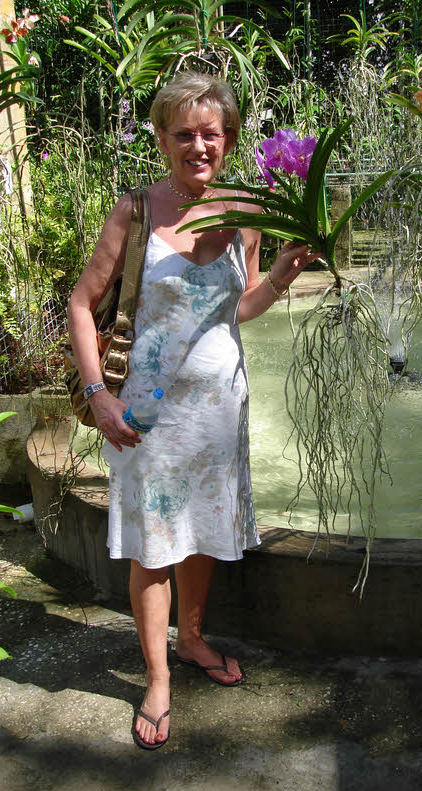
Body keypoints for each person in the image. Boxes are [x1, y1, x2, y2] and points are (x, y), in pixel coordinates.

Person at [67, 71, 318, 750]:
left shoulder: (249, 210)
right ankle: (156, 679)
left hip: (217, 412)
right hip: (145, 419)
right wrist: (97, 394)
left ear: (228, 138)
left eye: (211, 133)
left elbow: (236, 308)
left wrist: (278, 279)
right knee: (153, 548)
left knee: (201, 533)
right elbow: (82, 305)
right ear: (161, 138)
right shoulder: (136, 210)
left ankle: (192, 639)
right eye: (183, 134)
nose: (198, 146)